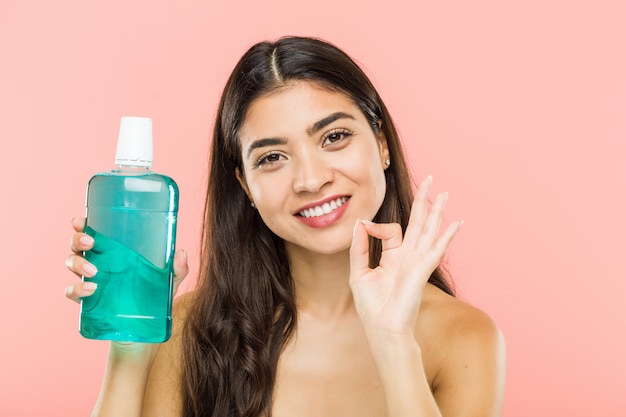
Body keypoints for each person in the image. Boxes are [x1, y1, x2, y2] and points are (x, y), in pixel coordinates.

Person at [65, 36, 506, 417]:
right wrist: (132, 340)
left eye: (334, 137)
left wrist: (393, 340)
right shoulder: (190, 329)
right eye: (272, 157)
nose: (311, 179)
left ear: (383, 145)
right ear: (246, 186)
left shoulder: (463, 338)